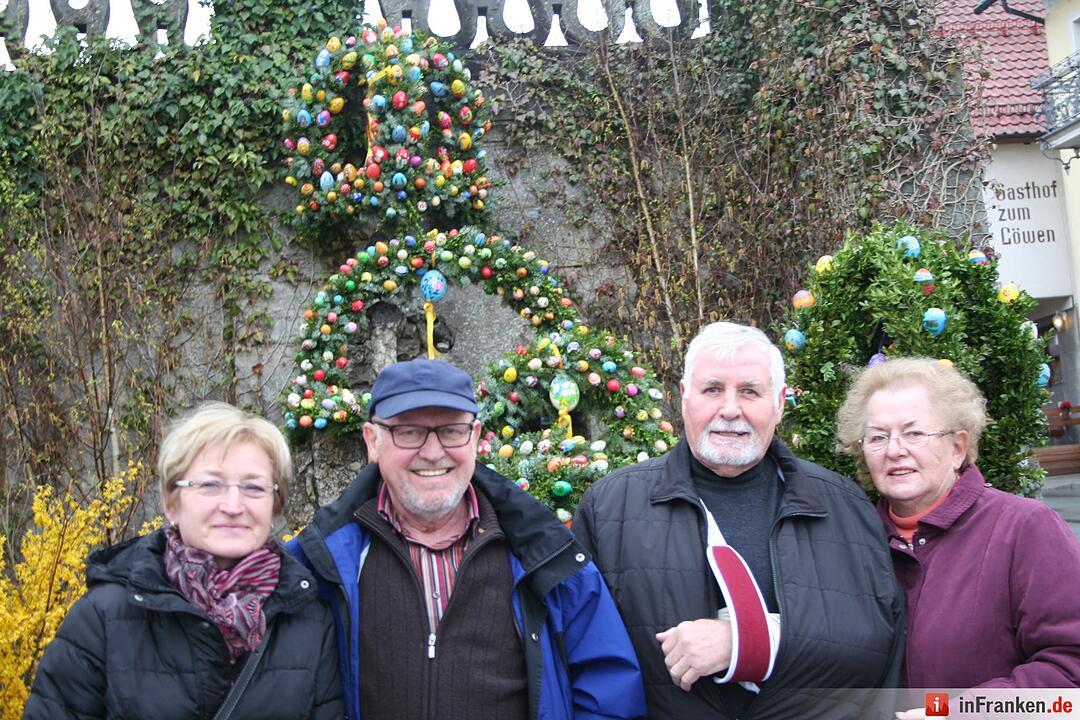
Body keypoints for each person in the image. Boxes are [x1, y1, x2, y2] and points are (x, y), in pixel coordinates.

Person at [574, 322, 904, 719]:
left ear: (779, 402)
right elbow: (586, 661)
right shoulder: (609, 509)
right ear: (683, 398)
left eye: (749, 391)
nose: (730, 409)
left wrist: (746, 643)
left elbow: (879, 653)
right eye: (712, 389)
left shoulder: (845, 508)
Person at [287, 358, 645, 720]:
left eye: (451, 431)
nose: (432, 452)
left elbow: (608, 692)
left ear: (474, 437)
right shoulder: (319, 564)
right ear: (372, 441)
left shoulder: (547, 558)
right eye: (408, 431)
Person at [24, 402, 343, 720]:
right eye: (210, 485)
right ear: (171, 503)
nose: (233, 505)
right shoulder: (104, 616)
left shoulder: (309, 619)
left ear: (275, 505)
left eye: (253, 487)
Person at [835, 357, 1080, 693]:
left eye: (914, 433)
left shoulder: (1025, 529)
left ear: (958, 448)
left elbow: (1070, 671)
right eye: (877, 438)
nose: (894, 450)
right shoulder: (850, 540)